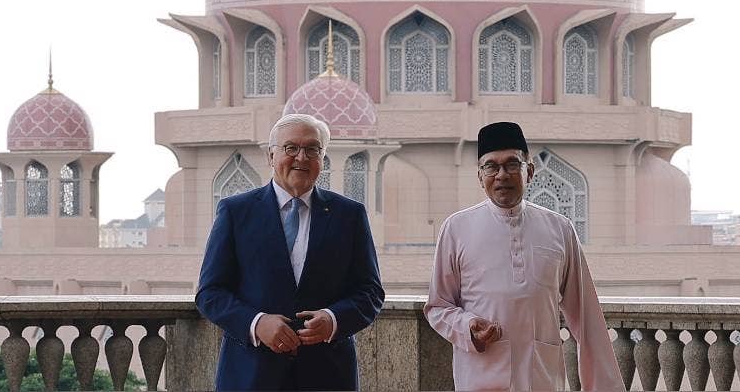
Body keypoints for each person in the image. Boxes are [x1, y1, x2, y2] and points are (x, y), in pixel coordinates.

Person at [424, 121, 623, 391]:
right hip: (480, 378)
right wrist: (468, 327)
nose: (502, 174)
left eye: (512, 164)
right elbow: (438, 307)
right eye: (491, 166)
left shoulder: (560, 229)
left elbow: (588, 320)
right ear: (480, 176)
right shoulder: (456, 228)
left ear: (529, 171)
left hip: (542, 378)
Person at [196, 113, 385, 391]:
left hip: (328, 376)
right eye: (290, 148)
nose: (301, 157)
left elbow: (370, 292)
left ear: (322, 158)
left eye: (312, 149)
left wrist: (333, 320)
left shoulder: (349, 215)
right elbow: (210, 293)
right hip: (251, 375)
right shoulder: (236, 212)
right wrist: (256, 323)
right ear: (271, 156)